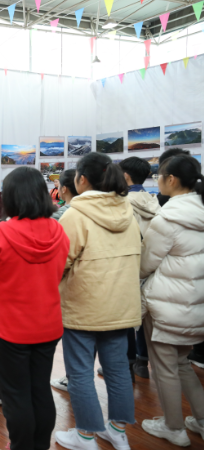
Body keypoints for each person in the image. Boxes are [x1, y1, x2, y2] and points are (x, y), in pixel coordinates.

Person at [0, 166, 69, 450]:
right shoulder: (58, 230)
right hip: (48, 325)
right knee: (40, 390)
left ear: (11, 197)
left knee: (15, 395)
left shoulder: (0, 233)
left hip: (8, 328)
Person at [55, 153, 141, 450]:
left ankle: (85, 436)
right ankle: (117, 431)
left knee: (80, 372)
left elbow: (59, 263)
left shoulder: (75, 214)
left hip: (83, 306)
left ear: (81, 179)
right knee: (118, 370)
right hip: (121, 305)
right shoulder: (128, 211)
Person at [139, 154, 204, 447]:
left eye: (159, 176)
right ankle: (201, 421)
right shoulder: (200, 210)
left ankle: (173, 427)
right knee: (182, 363)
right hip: (195, 304)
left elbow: (145, 264)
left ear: (171, 180)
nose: (158, 181)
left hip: (165, 305)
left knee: (165, 367)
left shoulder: (167, 219)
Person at [118, 156, 161, 379]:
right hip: (153, 268)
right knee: (146, 315)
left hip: (129, 266)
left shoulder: (122, 203)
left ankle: (127, 364)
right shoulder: (154, 201)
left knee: (126, 316)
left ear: (125, 176)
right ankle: (143, 362)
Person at [50, 168, 80, 393]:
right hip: (111, 292)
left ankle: (73, 378)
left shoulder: (63, 215)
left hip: (72, 286)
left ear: (64, 189)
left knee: (76, 341)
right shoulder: (122, 209)